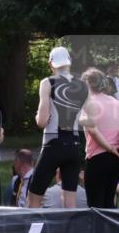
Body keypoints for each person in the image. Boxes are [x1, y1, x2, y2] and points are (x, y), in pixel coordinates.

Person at [28, 46, 94, 209]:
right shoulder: (83, 86)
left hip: (53, 144)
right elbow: (91, 121)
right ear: (69, 63)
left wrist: (38, 115)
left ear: (51, 64)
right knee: (69, 200)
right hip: (74, 146)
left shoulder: (47, 83)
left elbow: (42, 122)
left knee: (34, 197)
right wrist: (76, 118)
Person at [79, 68, 119, 208]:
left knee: (95, 204)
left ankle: (98, 230)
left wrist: (110, 148)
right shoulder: (115, 102)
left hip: (98, 157)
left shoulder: (89, 103)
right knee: (109, 200)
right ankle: (110, 230)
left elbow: (92, 130)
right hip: (118, 158)